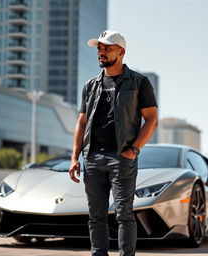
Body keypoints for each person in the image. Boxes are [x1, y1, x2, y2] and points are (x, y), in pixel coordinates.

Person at [69, 30, 158, 256]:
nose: (101, 52)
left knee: (124, 214)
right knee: (96, 216)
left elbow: (151, 120)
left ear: (121, 52)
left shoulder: (139, 82)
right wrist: (74, 157)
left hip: (121, 157)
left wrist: (134, 149)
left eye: (106, 48)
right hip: (92, 158)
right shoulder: (90, 85)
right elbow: (81, 123)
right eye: (99, 48)